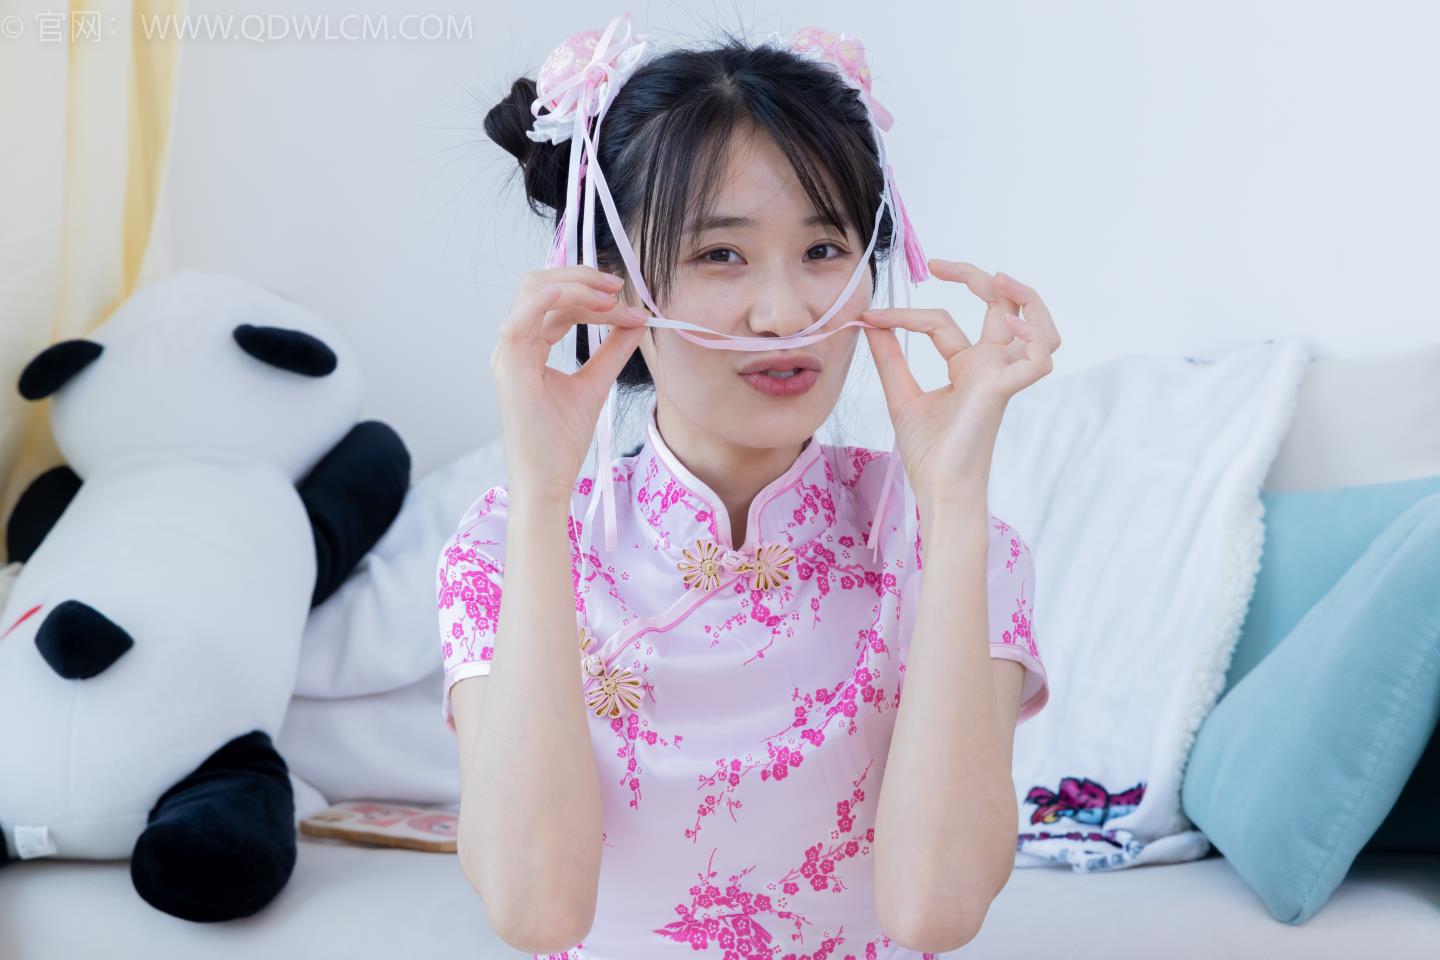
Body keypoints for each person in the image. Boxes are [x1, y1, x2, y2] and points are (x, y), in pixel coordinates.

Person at [436, 22, 1061, 960]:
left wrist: (954, 502)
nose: (785, 315)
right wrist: (540, 495)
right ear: (614, 283)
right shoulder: (502, 546)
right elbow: (535, 913)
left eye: (824, 249)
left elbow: (937, 912)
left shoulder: (951, 543)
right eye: (721, 255)